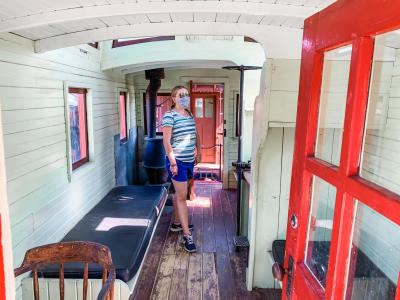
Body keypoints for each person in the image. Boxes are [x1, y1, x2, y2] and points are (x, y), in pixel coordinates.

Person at [162, 86, 201, 253]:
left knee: (180, 195)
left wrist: (199, 150)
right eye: (181, 95)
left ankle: (177, 223)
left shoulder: (189, 114)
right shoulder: (169, 116)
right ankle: (187, 236)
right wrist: (172, 163)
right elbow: (166, 141)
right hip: (176, 162)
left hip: (189, 160)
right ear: (174, 99)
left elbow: (196, 134)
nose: (185, 97)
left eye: (186, 94)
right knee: (182, 198)